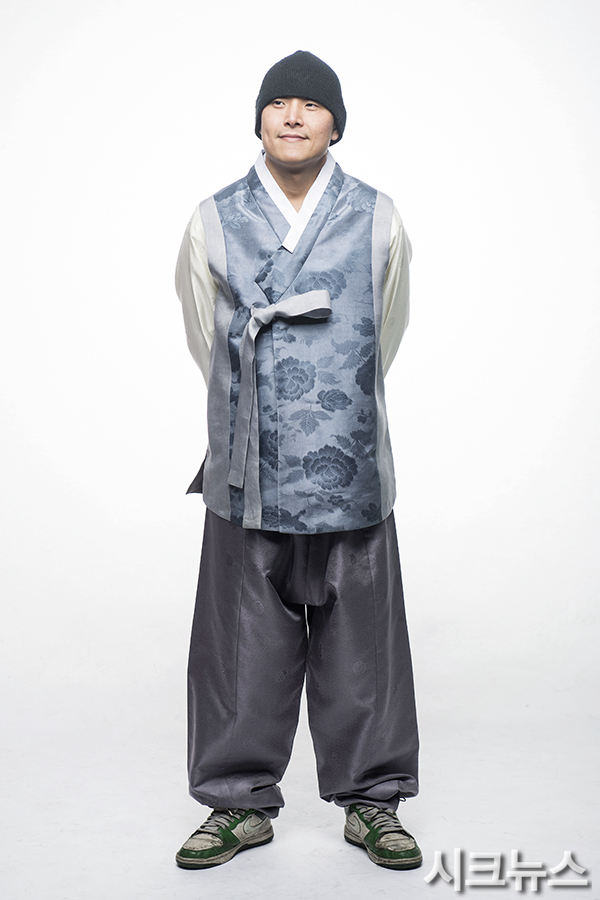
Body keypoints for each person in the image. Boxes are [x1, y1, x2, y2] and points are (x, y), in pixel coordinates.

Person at [174, 50, 421, 871]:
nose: (292, 115)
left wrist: (336, 401)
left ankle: (374, 800)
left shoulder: (378, 217)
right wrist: (258, 406)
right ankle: (236, 804)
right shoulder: (213, 218)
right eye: (277, 102)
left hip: (348, 462)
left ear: (335, 125)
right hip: (248, 465)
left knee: (363, 642)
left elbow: (385, 331)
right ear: (258, 121)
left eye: (310, 105)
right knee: (240, 643)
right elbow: (204, 334)